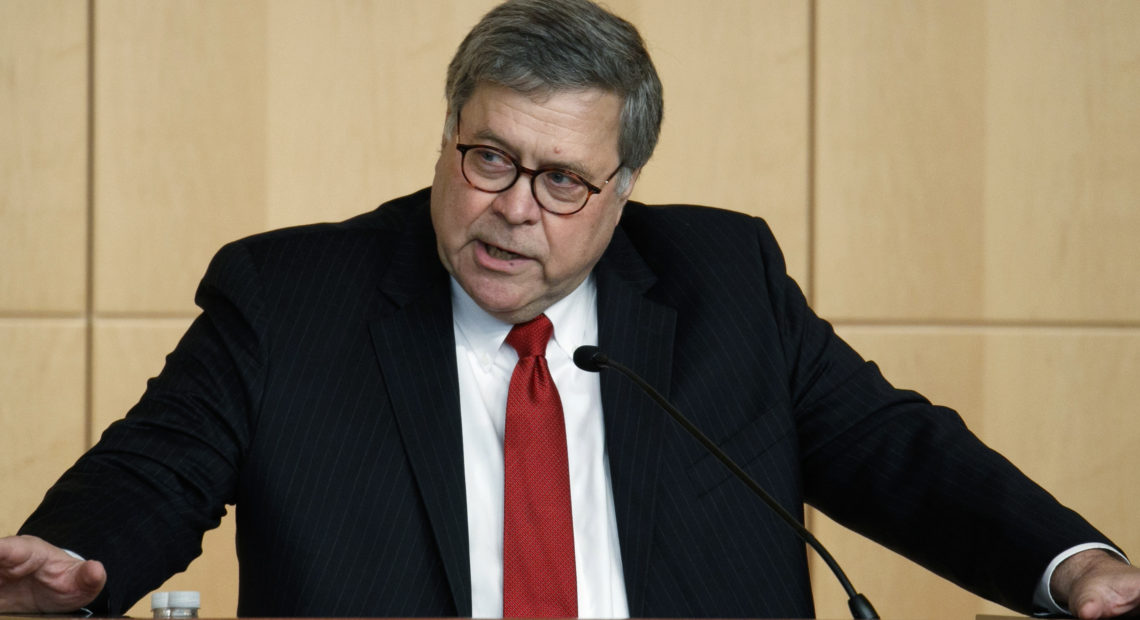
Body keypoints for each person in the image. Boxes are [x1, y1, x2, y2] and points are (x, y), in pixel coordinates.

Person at [2, 0, 1139, 617]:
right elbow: (156, 467)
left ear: (622, 189)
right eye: (489, 157)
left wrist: (1073, 563)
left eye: (563, 181)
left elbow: (896, 450)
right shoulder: (289, 298)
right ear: (446, 133)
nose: (514, 211)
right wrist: (69, 553)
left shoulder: (721, 282)